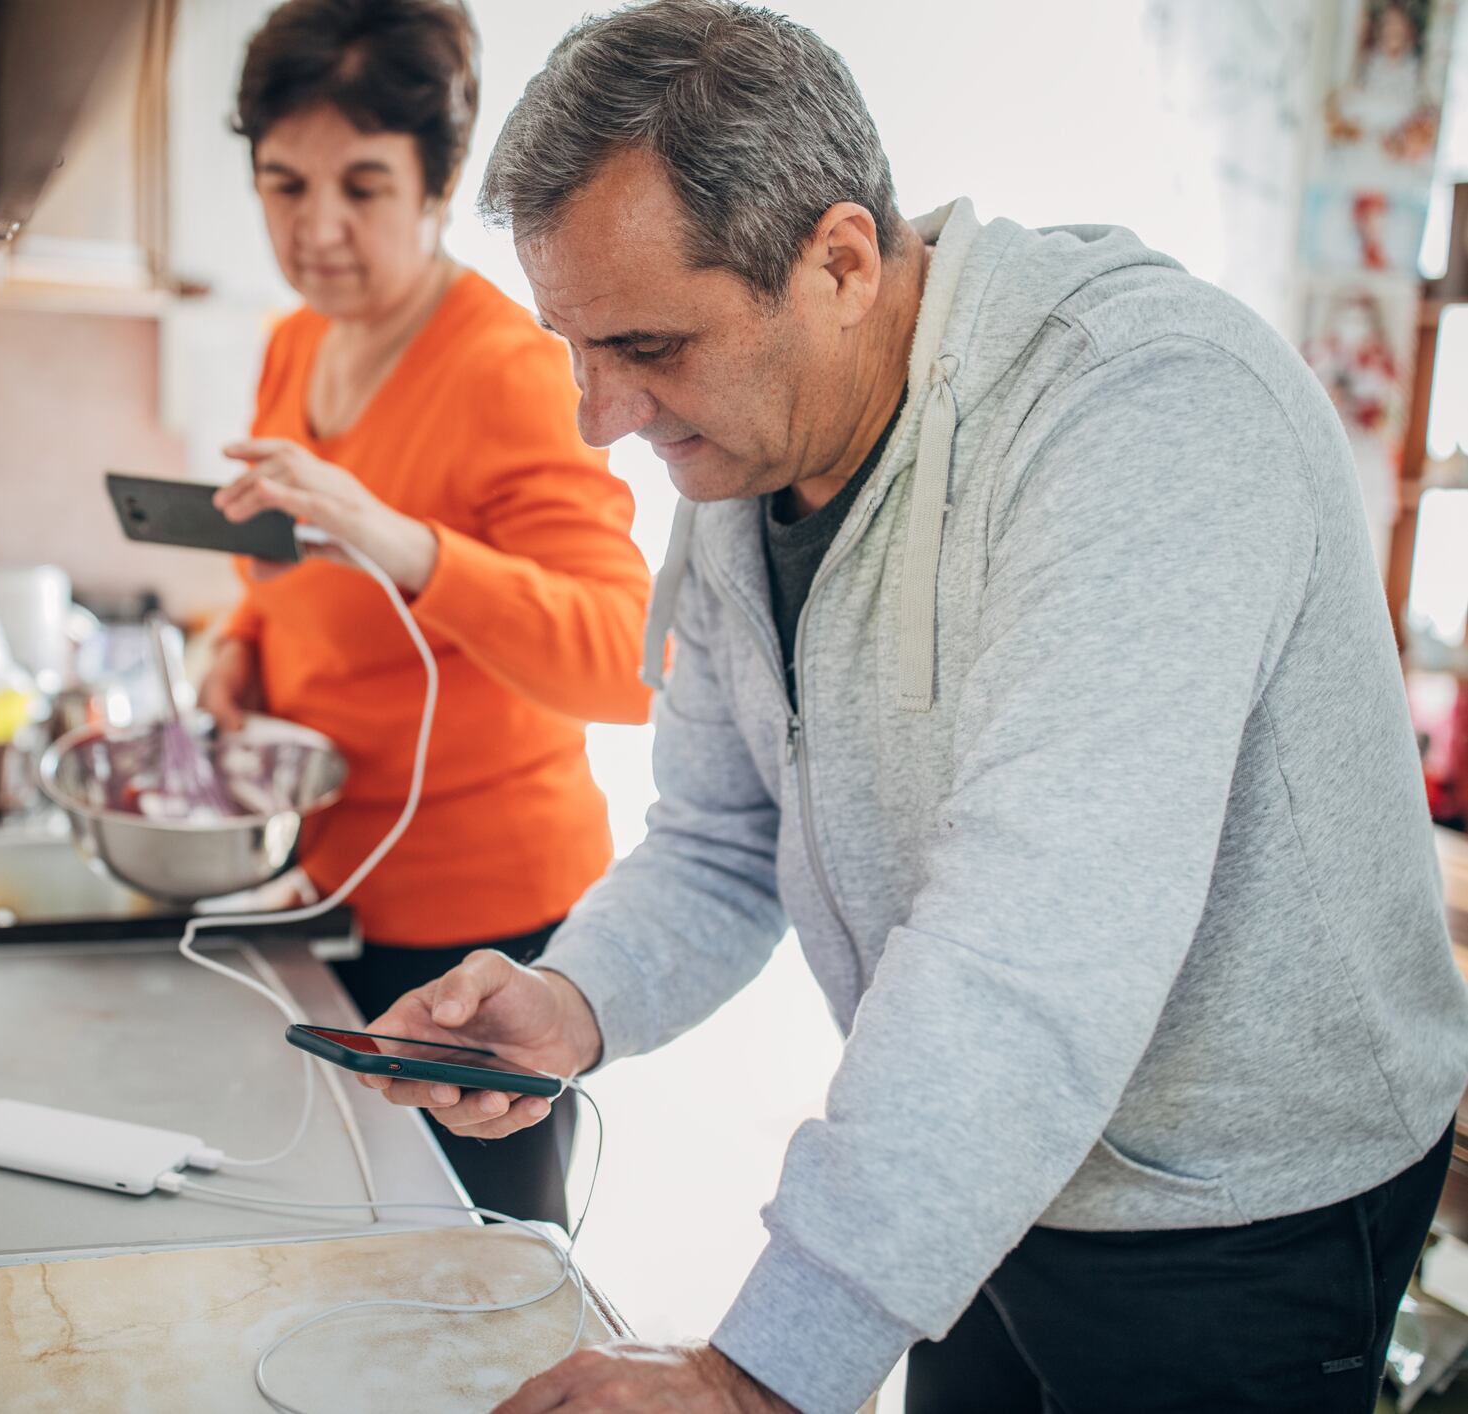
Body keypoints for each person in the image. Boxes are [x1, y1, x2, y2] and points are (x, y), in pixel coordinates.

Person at [354, 4, 1468, 1411]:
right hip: (980, 1176)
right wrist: (574, 1000)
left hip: (1235, 1209)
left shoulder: (1145, 412)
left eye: (648, 345)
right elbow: (714, 836)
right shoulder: (743, 460)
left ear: (838, 259)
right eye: (574, 346)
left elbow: (1035, 943)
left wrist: (756, 1372)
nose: (600, 416)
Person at [204, 0, 655, 1226]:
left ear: (439, 180)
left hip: (483, 935)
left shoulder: (508, 369)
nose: (318, 229)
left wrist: (399, 541)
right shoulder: (297, 343)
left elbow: (628, 658)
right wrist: (235, 645)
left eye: (361, 184)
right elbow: (285, 574)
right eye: (283, 185)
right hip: (330, 890)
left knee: (478, 1286)